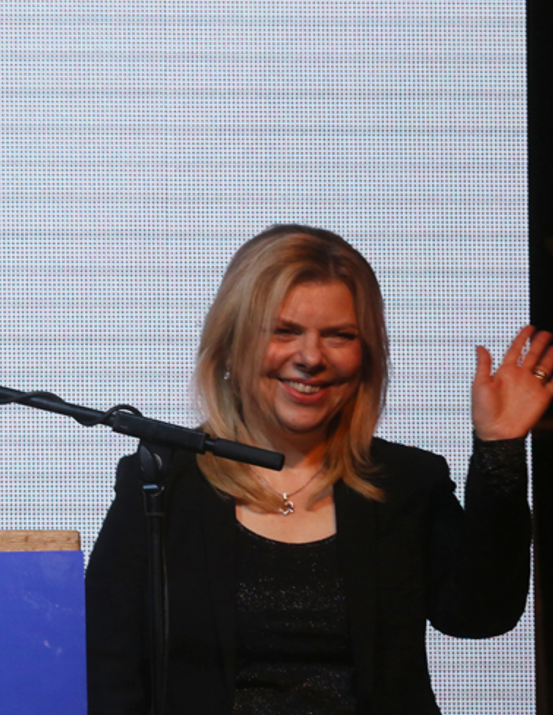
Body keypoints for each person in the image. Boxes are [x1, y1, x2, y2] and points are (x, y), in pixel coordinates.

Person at [85, 225, 546, 714]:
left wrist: (501, 450)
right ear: (231, 344)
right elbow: (106, 669)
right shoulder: (162, 482)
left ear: (366, 355)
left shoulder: (408, 481)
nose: (310, 358)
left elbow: (478, 616)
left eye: (339, 336)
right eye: (284, 332)